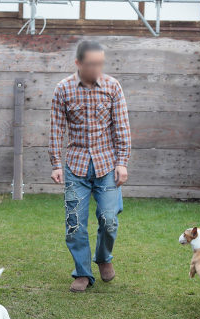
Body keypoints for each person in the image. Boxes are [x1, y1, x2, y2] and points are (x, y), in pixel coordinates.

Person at [49, 40, 131, 293]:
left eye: (100, 63)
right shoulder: (63, 89)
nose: (97, 68)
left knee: (109, 220)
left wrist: (122, 162)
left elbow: (122, 127)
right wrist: (55, 163)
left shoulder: (112, 87)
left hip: (106, 166)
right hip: (76, 166)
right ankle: (82, 273)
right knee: (74, 224)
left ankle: (104, 258)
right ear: (78, 63)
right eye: (91, 64)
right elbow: (56, 129)